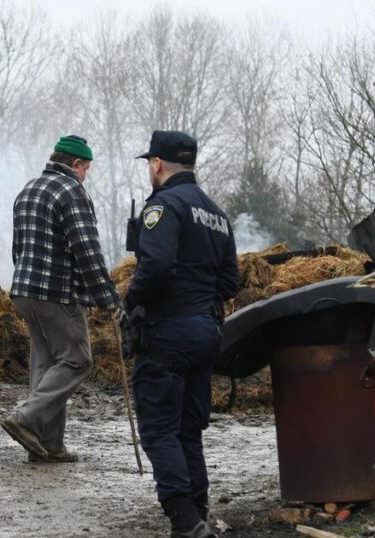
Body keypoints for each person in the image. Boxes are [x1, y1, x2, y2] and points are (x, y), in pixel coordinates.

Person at [125, 131, 238, 538]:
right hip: (206, 333)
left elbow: (154, 267)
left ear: (157, 164)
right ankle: (198, 511)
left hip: (167, 333)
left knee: (159, 429)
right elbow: (231, 281)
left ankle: (186, 520)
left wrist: (131, 302)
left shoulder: (163, 206)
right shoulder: (217, 214)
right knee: (189, 429)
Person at [1, 135, 122, 463]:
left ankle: (47, 445)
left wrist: (25, 284)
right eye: (87, 169)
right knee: (77, 360)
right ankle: (26, 419)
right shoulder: (71, 192)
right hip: (56, 294)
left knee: (46, 365)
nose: (86, 175)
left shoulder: (28, 189)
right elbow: (87, 250)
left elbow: (18, 247)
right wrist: (107, 297)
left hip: (24, 292)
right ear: (76, 164)